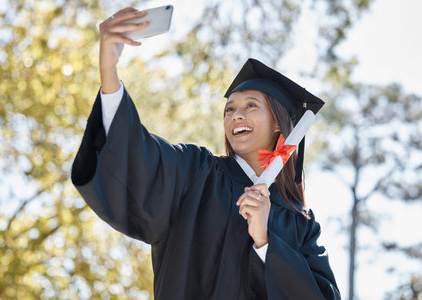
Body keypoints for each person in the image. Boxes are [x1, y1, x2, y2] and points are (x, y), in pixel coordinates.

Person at [71, 7, 341, 300]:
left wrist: (265, 242)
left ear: (278, 122)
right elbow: (137, 155)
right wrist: (109, 74)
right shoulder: (196, 173)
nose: (237, 115)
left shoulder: (299, 223)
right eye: (230, 109)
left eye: (251, 105)